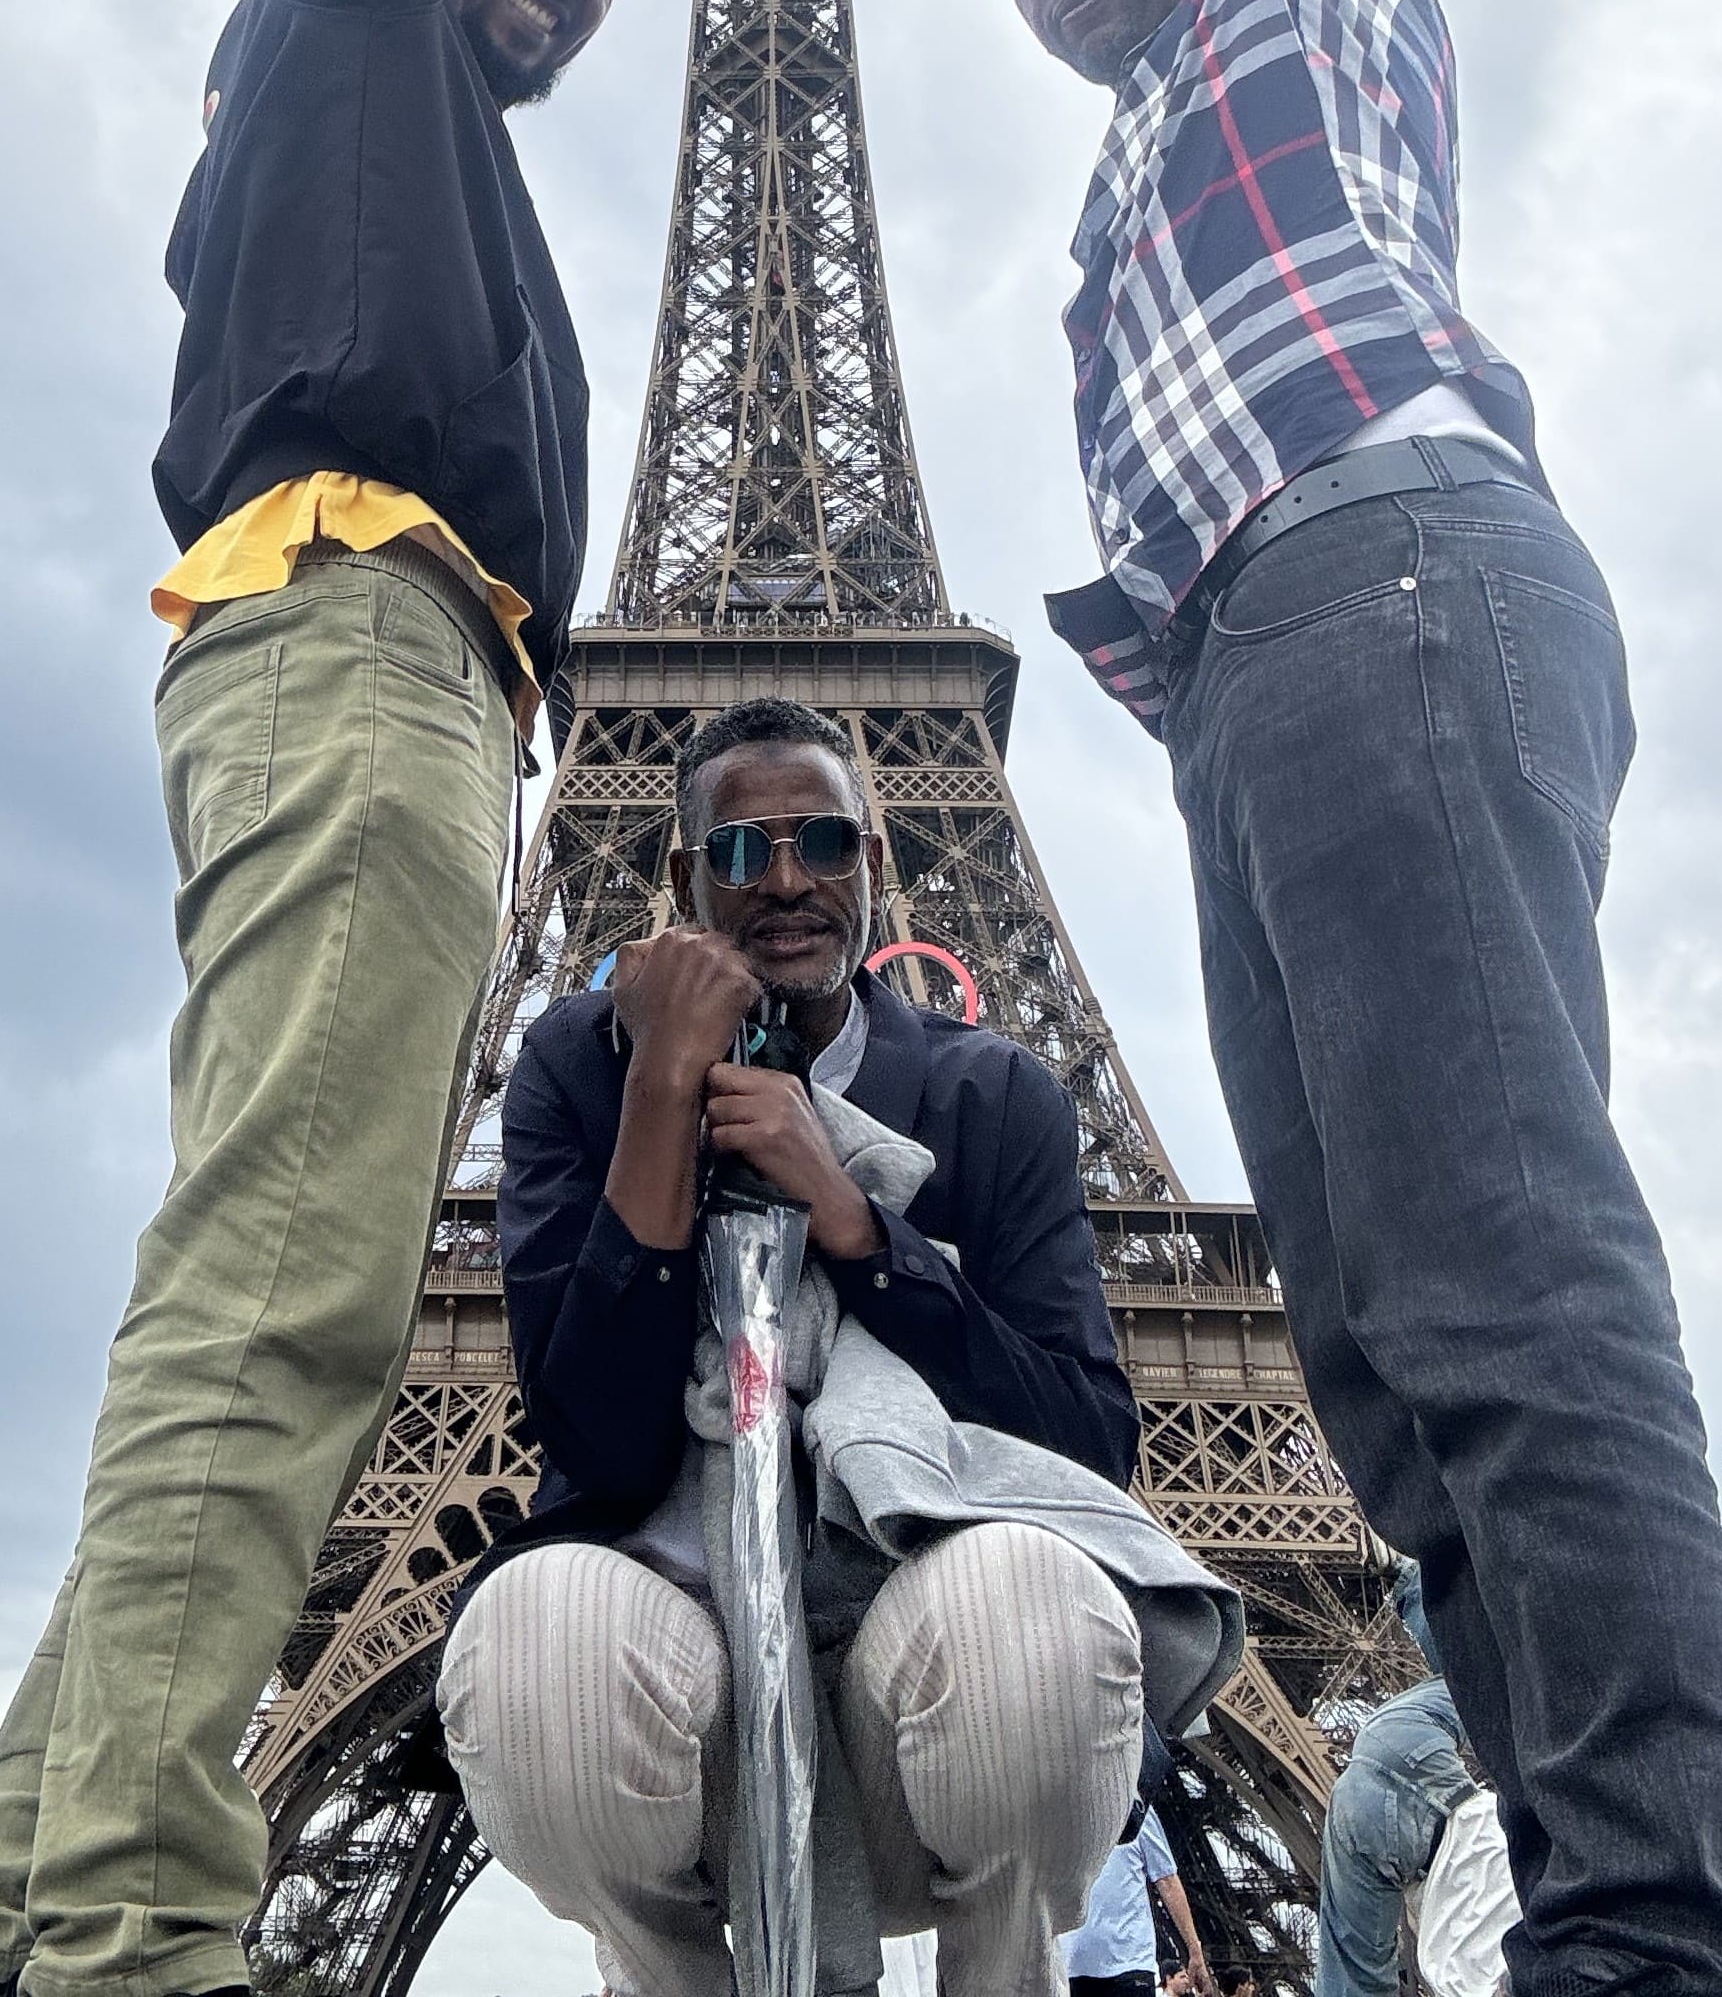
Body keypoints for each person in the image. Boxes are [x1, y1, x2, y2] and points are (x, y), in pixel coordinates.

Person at [704, 0, 1722, 1997]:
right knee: (1369, 1365)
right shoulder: (1116, 207)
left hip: (1393, 568)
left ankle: (1653, 1923)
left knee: (1496, 1271)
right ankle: (1589, 1893)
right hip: (1261, 672)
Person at [0, 0, 784, 1997]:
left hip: (431, 679)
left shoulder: (472, 206)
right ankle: (126, 1928)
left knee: (284, 1285)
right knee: (295, 1294)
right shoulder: (346, 13)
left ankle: (35, 1878)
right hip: (347, 628)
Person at [437, 695, 1242, 1997]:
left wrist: (856, 1224)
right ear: (683, 882)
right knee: (539, 1641)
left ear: (874, 858)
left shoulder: (991, 1094)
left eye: (820, 840)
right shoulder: (582, 1072)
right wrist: (661, 1091)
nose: (785, 880)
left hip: (932, 1679)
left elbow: (1087, 1445)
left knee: (1034, 1608)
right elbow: (596, 1443)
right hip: (677, 1684)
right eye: (739, 851)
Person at [1319, 1572, 1514, 1997]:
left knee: (1500, 1685)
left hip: (1434, 1795)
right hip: (1418, 1801)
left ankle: (1424, 1574)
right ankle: (1421, 1578)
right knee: (1354, 1977)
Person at [1058, 1804, 1217, 1997]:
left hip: (1122, 1964)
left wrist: (1194, 1948)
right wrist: (1193, 1948)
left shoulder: (1136, 1808)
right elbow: (1166, 1880)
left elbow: (1167, 1879)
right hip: (1077, 1966)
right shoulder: (1133, 1808)